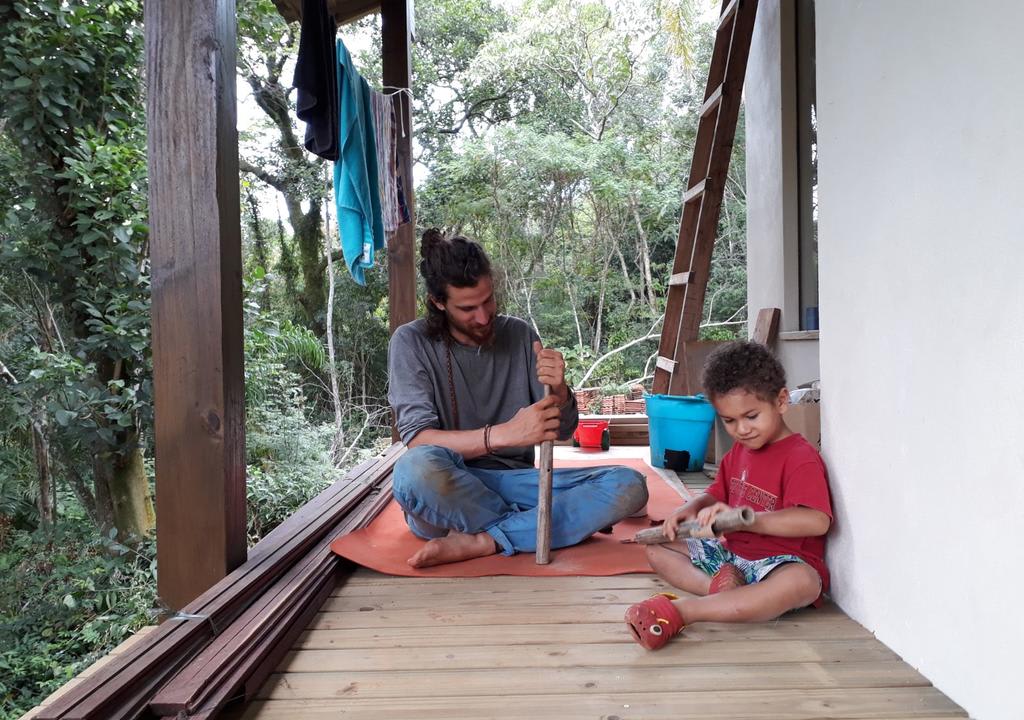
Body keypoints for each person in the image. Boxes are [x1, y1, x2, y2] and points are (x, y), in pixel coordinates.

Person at [388, 228, 649, 568]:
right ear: (438, 302)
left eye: (489, 300)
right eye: (468, 308)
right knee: (414, 472)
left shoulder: (520, 334)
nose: (483, 317)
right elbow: (419, 441)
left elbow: (565, 430)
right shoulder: (410, 342)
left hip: (517, 483)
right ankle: (536, 525)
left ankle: (486, 540)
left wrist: (559, 389)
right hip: (449, 488)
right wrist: (505, 434)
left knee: (629, 485)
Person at [625, 340, 832, 650]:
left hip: (778, 565)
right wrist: (690, 507)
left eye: (751, 416)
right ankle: (723, 590)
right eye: (729, 421)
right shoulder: (739, 452)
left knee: (805, 583)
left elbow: (816, 521)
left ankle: (685, 610)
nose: (742, 430)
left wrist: (747, 522)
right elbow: (715, 492)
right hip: (731, 558)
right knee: (658, 547)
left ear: (782, 401)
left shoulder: (799, 457)